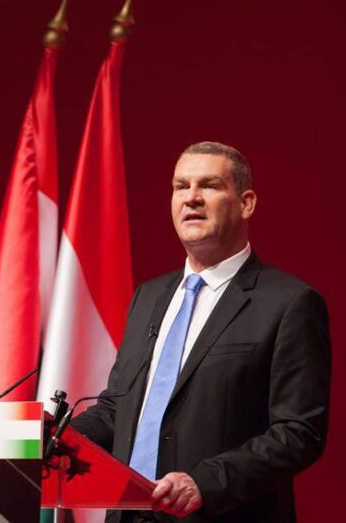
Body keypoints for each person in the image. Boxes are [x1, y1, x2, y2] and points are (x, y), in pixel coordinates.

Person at [70, 141, 330, 522]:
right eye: (181, 186)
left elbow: (298, 432)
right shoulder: (149, 297)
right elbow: (117, 409)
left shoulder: (289, 303)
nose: (191, 197)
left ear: (246, 204)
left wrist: (203, 484)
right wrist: (56, 438)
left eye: (208, 185)